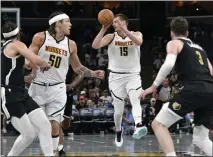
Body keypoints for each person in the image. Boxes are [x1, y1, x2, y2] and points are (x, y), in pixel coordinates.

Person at [27, 11, 104, 155]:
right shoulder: (40, 37)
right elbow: (28, 56)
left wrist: (92, 73)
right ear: (58, 24)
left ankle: (53, 152)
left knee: (55, 125)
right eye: (67, 21)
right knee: (38, 128)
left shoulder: (71, 44)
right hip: (38, 87)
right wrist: (28, 66)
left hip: (57, 89)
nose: (71, 24)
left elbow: (77, 68)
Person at [139, 16, 213, 156]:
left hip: (194, 88)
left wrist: (153, 86)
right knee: (201, 139)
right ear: (187, 32)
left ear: (172, 33)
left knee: (158, 124)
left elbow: (168, 64)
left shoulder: (175, 43)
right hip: (210, 91)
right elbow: (211, 72)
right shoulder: (201, 50)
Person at [92, 13, 147, 147]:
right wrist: (104, 28)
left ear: (124, 22)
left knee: (135, 99)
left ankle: (138, 125)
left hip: (133, 75)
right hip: (116, 77)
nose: (114, 24)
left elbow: (139, 42)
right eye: (113, 22)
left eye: (116, 22)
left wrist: (125, 30)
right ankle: (118, 130)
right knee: (118, 110)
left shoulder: (136, 34)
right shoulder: (111, 37)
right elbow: (95, 45)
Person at [1, 21, 54, 156]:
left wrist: (30, 74)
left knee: (45, 126)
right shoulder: (17, 44)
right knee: (29, 135)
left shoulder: (5, 48)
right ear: (18, 33)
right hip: (9, 95)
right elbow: (36, 60)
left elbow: (26, 64)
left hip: (20, 91)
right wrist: (44, 63)